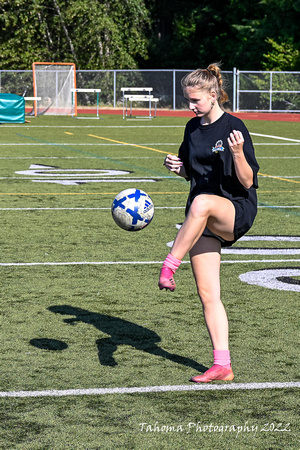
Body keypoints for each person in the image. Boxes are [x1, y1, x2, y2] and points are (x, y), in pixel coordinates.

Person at [159, 63, 259, 383]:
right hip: (202, 215)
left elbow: (248, 181)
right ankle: (223, 364)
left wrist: (239, 153)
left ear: (213, 95)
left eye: (196, 101)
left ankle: (169, 264)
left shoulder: (234, 127)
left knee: (202, 203)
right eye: (188, 101)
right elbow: (193, 172)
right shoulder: (191, 127)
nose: (191, 107)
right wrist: (178, 168)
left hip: (235, 210)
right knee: (207, 293)